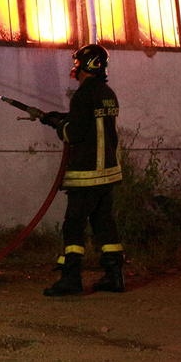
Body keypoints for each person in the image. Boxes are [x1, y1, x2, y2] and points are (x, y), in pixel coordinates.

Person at [39, 43, 126, 296]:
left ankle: (71, 278)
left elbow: (74, 134)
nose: (75, 68)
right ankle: (114, 276)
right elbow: (89, 121)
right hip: (107, 173)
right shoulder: (107, 93)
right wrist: (63, 117)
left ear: (88, 65)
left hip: (87, 173)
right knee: (104, 223)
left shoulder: (83, 94)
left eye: (77, 63)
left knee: (74, 225)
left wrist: (59, 126)